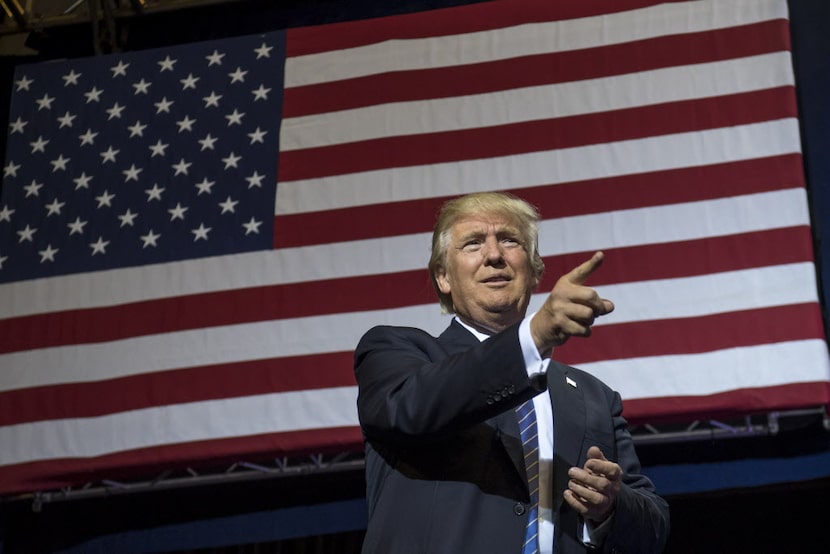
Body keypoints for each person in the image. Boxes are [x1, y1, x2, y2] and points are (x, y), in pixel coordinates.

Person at [354, 191, 670, 553]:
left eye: (509, 240)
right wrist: (533, 338)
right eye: (473, 243)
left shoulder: (594, 396)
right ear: (443, 277)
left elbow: (653, 527)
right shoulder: (397, 354)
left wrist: (611, 507)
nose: (494, 255)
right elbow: (412, 408)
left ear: (534, 272)